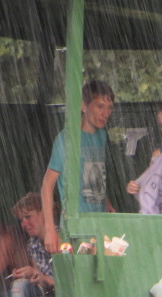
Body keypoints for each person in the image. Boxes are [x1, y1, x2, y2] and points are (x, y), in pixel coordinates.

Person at [41, 80, 115, 253]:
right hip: (75, 226)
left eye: (109, 108)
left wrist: (107, 203)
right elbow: (47, 185)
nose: (106, 113)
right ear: (83, 106)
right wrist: (50, 229)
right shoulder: (68, 138)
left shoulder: (102, 136)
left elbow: (94, 175)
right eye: (100, 106)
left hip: (100, 223)